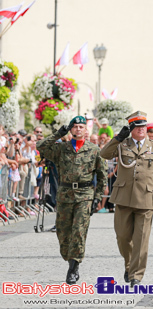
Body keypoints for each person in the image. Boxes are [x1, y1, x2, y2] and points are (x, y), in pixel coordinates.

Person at [99, 111, 153, 287]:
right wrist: (117, 138)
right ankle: (129, 265)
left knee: (141, 239)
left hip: (145, 198)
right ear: (131, 129)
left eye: (144, 126)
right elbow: (104, 154)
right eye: (138, 127)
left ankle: (136, 275)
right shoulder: (123, 144)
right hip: (123, 198)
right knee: (122, 237)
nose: (142, 130)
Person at [37, 116, 107, 284]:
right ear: (71, 129)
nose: (77, 129)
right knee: (63, 232)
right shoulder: (62, 148)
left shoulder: (94, 150)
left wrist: (97, 198)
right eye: (74, 126)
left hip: (84, 194)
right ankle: (69, 258)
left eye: (81, 126)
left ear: (86, 130)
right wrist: (58, 134)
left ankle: (73, 267)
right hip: (65, 194)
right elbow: (41, 147)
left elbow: (102, 176)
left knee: (79, 231)